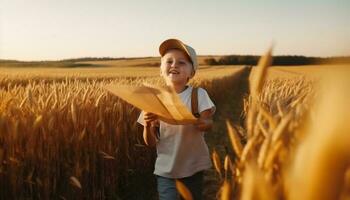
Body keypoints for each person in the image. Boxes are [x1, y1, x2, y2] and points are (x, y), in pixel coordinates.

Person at [137, 38, 216, 200]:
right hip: (166, 170)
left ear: (191, 73)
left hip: (193, 168)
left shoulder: (198, 95)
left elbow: (209, 123)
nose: (174, 65)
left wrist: (203, 123)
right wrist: (147, 125)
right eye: (169, 61)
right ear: (160, 70)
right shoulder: (153, 99)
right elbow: (150, 143)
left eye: (182, 62)